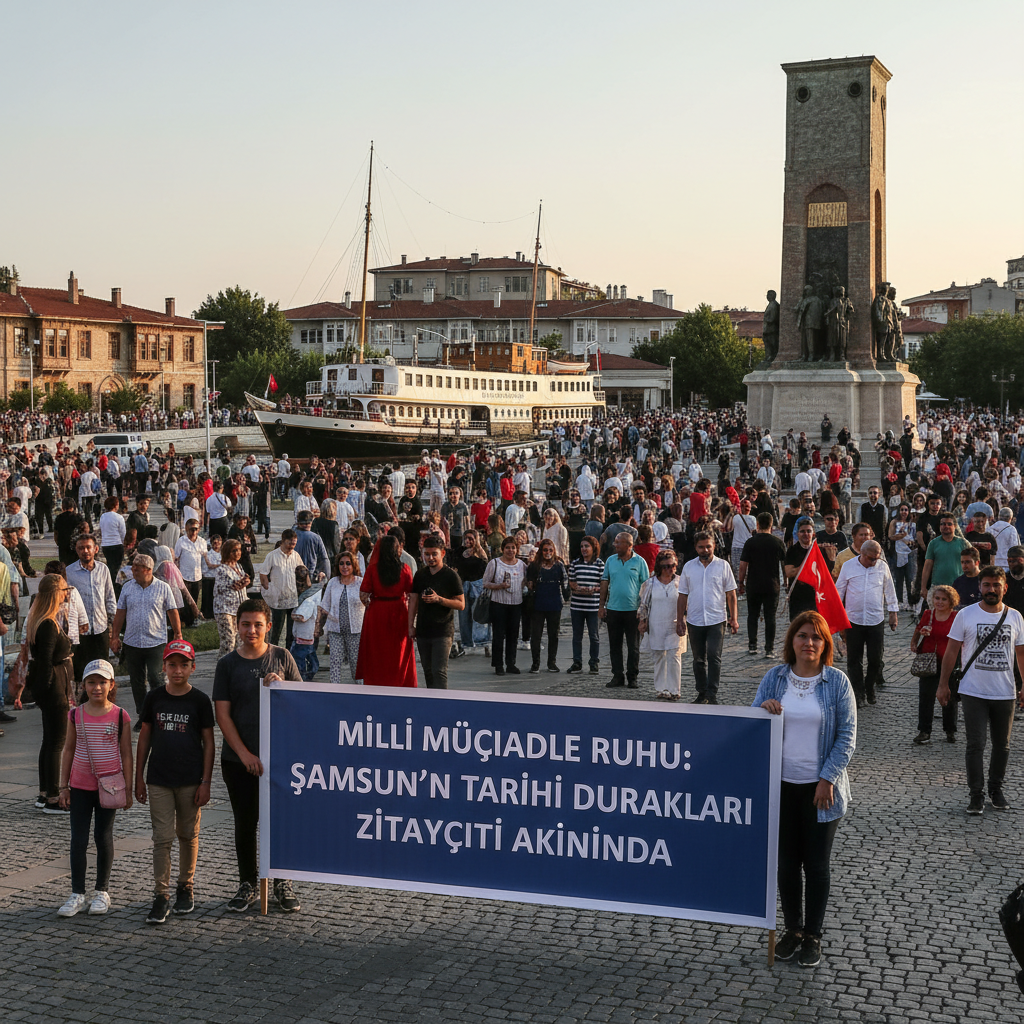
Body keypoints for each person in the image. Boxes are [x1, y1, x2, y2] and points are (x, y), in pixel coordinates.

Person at [753, 611, 856, 968]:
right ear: (791, 641)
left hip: (820, 790)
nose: (809, 642)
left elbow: (847, 736)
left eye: (816, 637)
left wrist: (827, 778)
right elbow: (751, 723)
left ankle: (813, 934)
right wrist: (763, 710)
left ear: (825, 643)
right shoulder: (774, 677)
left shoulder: (837, 683)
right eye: (802, 636)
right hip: (780, 786)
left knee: (816, 864)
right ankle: (793, 929)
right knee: (785, 865)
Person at [213, 598, 303, 912]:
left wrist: (284, 689)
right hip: (238, 762)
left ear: (269, 626)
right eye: (246, 624)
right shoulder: (227, 664)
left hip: (279, 760)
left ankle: (282, 881)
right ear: (237, 625)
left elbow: (303, 707)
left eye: (258, 624)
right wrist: (245, 754)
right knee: (245, 823)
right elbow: (222, 715)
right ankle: (248, 882)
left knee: (282, 822)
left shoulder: (282, 657)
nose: (252, 630)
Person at [135, 641, 215, 924]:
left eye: (183, 664)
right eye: (172, 664)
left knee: (188, 834)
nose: (177, 670)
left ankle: (186, 885)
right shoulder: (154, 698)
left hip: (191, 780)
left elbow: (208, 742)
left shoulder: (200, 701)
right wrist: (139, 778)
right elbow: (144, 737)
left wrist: (206, 781)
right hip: (159, 778)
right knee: (162, 838)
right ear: (164, 667)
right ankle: (161, 894)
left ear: (193, 667)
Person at [936, 565, 1024, 814]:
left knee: (1002, 746)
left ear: (1004, 588)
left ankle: (996, 790)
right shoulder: (965, 615)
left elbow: (1021, 655)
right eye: (987, 585)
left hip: (1004, 691)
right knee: (975, 745)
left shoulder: (1015, 617)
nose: (991, 589)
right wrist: (943, 685)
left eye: (996, 585)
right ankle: (976, 795)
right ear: (980, 587)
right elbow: (952, 651)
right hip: (973, 690)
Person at [54, 658, 134, 918]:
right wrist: (62, 786)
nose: (97, 687)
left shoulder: (120, 715)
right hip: (79, 785)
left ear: (112, 685)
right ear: (83, 685)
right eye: (91, 682)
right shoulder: (76, 714)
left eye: (102, 682)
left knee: (103, 836)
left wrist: (129, 788)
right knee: (78, 839)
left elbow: (126, 755)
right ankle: (77, 893)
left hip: (109, 787)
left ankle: (102, 891)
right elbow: (68, 749)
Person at [109, 554, 182, 725]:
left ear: (148, 570)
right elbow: (120, 613)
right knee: (137, 681)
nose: (133, 570)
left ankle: (159, 715)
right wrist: (114, 637)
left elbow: (172, 611)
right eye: (133, 566)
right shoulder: (127, 588)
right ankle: (143, 717)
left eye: (136, 567)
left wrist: (178, 634)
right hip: (132, 642)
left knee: (156, 678)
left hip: (155, 642)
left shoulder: (163, 588)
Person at [29, 574, 75, 813]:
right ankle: (54, 797)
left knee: (49, 742)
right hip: (55, 689)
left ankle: (44, 792)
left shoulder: (43, 619)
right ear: (55, 594)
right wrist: (47, 689)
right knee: (57, 743)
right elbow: (46, 661)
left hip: (53, 688)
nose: (66, 594)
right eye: (64, 590)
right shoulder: (48, 623)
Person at [677, 531, 739, 704]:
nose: (705, 550)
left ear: (714, 546)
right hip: (694, 619)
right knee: (698, 659)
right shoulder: (689, 567)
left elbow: (731, 594)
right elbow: (682, 595)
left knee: (714, 655)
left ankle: (712, 693)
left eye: (708, 546)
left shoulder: (723, 566)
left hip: (716, 619)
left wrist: (734, 618)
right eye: (701, 547)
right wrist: (680, 619)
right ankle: (701, 691)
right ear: (696, 548)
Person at [835, 540, 898, 708]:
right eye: (871, 559)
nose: (874, 562)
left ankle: (870, 686)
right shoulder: (848, 566)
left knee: (875, 659)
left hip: (875, 619)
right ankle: (858, 693)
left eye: (876, 558)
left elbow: (890, 589)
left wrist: (893, 613)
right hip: (853, 620)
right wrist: (837, 618)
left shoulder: (882, 566)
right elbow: (839, 590)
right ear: (861, 555)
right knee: (854, 659)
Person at [356, 535, 417, 687]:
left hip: (377, 612)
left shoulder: (372, 569)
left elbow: (363, 593)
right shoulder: (405, 568)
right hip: (399, 610)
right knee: (398, 651)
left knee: (377, 652)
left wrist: (370, 604)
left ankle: (377, 682)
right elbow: (411, 593)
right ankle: (399, 682)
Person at [409, 536, 464, 689]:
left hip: (443, 630)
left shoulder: (451, 576)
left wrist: (439, 599)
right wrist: (410, 626)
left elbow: (461, 604)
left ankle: (442, 706)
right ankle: (431, 705)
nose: (430, 558)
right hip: (423, 630)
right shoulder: (420, 575)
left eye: (434, 554)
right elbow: (413, 601)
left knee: (438, 671)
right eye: (427, 554)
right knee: (427, 671)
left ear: (443, 553)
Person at [600, 530, 650, 690]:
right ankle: (617, 675)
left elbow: (646, 587)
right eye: (615, 542)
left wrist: (644, 611)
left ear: (629, 545)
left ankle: (632, 676)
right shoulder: (610, 561)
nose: (615, 545)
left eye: (618, 542)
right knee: (614, 645)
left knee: (633, 646)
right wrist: (602, 605)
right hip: (614, 609)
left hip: (633, 610)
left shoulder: (640, 562)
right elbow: (605, 582)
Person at [910, 585, 960, 746]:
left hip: (949, 662)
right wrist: (915, 641)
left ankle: (950, 730)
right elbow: (918, 630)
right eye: (937, 598)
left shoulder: (956, 617)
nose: (939, 602)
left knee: (949, 698)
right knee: (925, 697)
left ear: (951, 601)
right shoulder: (928, 614)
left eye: (943, 599)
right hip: (928, 662)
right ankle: (924, 731)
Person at [738, 512, 787, 658]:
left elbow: (742, 566)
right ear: (771, 525)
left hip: (753, 584)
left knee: (752, 615)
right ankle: (769, 648)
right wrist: (786, 582)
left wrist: (741, 582)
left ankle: (752, 645)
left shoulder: (750, 542)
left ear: (757, 524)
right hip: (772, 585)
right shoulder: (778, 542)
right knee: (770, 617)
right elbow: (785, 565)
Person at [639, 550, 686, 700]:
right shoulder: (650, 583)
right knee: (659, 656)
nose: (669, 569)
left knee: (674, 655)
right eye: (665, 566)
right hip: (656, 623)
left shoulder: (681, 582)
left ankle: (675, 689)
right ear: (659, 566)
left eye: (672, 565)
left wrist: (684, 620)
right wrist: (642, 620)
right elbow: (644, 605)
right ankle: (661, 688)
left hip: (675, 623)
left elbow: (687, 603)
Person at [315, 552, 364, 684]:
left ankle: (361, 692)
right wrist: (318, 627)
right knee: (335, 662)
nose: (345, 566)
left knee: (356, 665)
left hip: (355, 631)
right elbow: (324, 606)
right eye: (341, 563)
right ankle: (333, 692)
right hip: (335, 630)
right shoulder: (333, 582)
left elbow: (369, 604)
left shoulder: (361, 583)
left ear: (353, 565)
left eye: (348, 563)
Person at [482, 536, 526, 676]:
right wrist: (499, 586)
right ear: (503, 549)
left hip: (516, 603)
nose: (510, 550)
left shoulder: (522, 565)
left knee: (513, 635)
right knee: (499, 635)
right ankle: (498, 664)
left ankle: (511, 663)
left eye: (513, 547)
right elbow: (485, 583)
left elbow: (526, 581)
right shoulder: (494, 563)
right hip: (498, 603)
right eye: (507, 547)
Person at [525, 539, 567, 674]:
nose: (548, 553)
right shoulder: (534, 566)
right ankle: (535, 663)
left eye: (550, 550)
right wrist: (530, 584)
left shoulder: (559, 565)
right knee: (536, 635)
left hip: (554, 603)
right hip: (538, 604)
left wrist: (565, 598)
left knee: (553, 635)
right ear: (541, 551)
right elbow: (529, 583)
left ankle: (551, 663)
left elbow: (565, 583)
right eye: (545, 550)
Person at [257, 529, 303, 648]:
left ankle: (288, 655)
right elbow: (263, 574)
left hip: (292, 599)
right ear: (283, 541)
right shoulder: (272, 556)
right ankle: (272, 653)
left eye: (294, 544)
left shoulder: (296, 555)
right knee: (276, 631)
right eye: (290, 543)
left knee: (291, 633)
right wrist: (268, 589)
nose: (292, 546)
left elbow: (302, 571)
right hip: (278, 600)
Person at [568, 536, 604, 675]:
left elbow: (603, 583)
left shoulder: (600, 564)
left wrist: (593, 589)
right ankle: (577, 662)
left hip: (593, 606)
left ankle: (594, 662)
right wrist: (578, 588)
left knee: (593, 635)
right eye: (582, 546)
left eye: (586, 546)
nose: (583, 549)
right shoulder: (575, 563)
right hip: (577, 605)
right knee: (577, 636)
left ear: (593, 548)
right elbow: (571, 582)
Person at [213, 538, 251, 659]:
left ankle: (238, 667)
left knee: (240, 640)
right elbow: (231, 586)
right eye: (234, 551)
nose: (238, 553)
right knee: (228, 641)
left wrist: (246, 581)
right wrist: (240, 583)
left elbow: (242, 582)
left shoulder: (239, 566)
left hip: (239, 608)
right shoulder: (221, 569)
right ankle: (223, 667)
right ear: (227, 552)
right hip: (224, 609)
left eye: (239, 550)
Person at [455, 530, 490, 653]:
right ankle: (467, 642)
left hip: (477, 585)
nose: (468, 541)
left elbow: (486, 567)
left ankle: (482, 642)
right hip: (463, 585)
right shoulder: (459, 551)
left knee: (478, 614)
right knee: (464, 615)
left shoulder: (481, 551)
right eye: (466, 538)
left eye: (471, 538)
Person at [922, 514, 970, 595]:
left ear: (955, 526)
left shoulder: (963, 543)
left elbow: (972, 562)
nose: (946, 526)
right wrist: (923, 588)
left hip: (959, 586)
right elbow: (927, 566)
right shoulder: (933, 543)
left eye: (949, 524)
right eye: (943, 524)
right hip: (937, 586)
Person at [784, 518, 819, 620]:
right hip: (797, 597)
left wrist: (831, 558)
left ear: (813, 534)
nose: (806, 534)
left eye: (809, 531)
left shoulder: (819, 550)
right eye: (802, 531)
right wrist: (807, 564)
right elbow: (789, 573)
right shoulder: (792, 551)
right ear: (798, 533)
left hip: (815, 597)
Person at [98, 496, 126, 580]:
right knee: (116, 567)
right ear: (116, 505)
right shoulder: (119, 517)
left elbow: (101, 530)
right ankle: (114, 584)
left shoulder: (103, 517)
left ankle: (110, 582)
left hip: (106, 545)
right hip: (117, 544)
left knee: (110, 565)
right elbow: (123, 533)